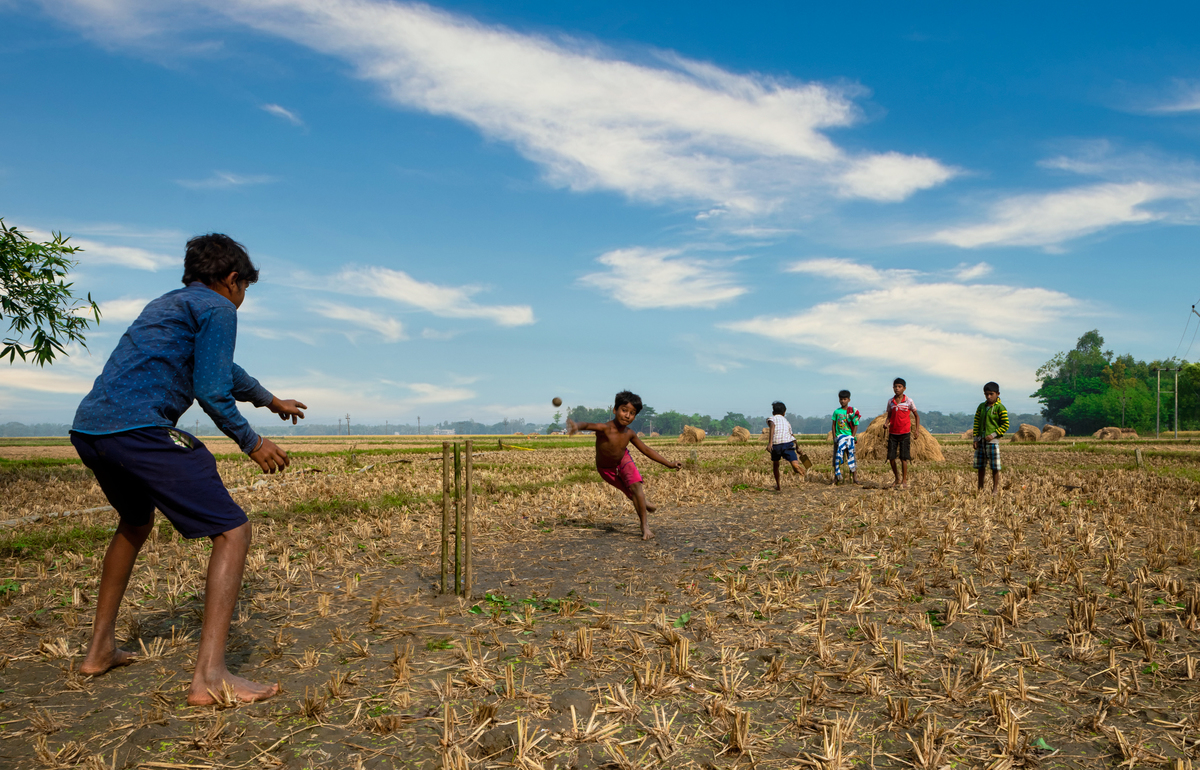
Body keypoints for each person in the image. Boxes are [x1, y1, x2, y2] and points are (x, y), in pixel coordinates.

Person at [70, 233, 306, 706]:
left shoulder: (169, 303)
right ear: (233, 280)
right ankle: (210, 677)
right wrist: (252, 440)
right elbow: (213, 389)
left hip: (91, 429)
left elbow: (225, 370)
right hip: (139, 430)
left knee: (135, 522)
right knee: (234, 530)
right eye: (244, 291)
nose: (242, 302)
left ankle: (99, 650)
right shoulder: (218, 309)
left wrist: (269, 399)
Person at [567, 391, 681, 540]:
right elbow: (588, 424)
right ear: (615, 410)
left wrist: (669, 464)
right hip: (605, 469)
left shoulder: (630, 433)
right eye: (624, 410)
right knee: (631, 493)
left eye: (632, 413)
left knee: (636, 487)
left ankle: (644, 526)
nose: (627, 415)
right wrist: (577, 426)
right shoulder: (605, 428)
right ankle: (644, 503)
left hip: (623, 460)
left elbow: (646, 450)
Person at [972, 381, 1009, 495]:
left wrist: (993, 435)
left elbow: (1005, 425)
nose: (988, 396)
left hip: (993, 442)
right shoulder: (981, 407)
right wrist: (975, 438)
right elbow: (977, 423)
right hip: (981, 440)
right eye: (986, 394)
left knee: (994, 466)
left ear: (997, 394)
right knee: (980, 466)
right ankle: (980, 488)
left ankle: (995, 489)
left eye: (991, 394)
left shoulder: (1000, 408)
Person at [884, 377, 920, 489]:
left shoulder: (909, 401)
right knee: (891, 457)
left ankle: (904, 480)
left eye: (899, 387)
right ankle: (897, 478)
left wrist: (917, 430)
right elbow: (889, 415)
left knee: (904, 458)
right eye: (895, 387)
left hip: (905, 432)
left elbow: (916, 416)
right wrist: (886, 423)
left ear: (904, 388)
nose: (897, 389)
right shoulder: (891, 402)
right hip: (893, 433)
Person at [765, 401, 804, 491]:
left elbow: (772, 426)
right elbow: (792, 436)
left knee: (776, 464)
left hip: (776, 444)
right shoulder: (787, 422)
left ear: (773, 412)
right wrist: (797, 447)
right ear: (784, 413)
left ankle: (778, 486)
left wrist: (770, 443)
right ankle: (795, 465)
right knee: (794, 461)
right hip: (788, 442)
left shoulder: (771, 418)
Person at [831, 390, 860, 484]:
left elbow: (856, 424)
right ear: (839, 400)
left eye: (845, 399)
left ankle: (855, 478)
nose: (843, 401)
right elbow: (833, 424)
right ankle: (836, 477)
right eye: (841, 399)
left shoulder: (852, 412)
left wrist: (852, 436)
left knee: (851, 457)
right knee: (837, 457)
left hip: (849, 438)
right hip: (839, 438)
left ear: (849, 400)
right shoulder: (836, 412)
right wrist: (834, 436)